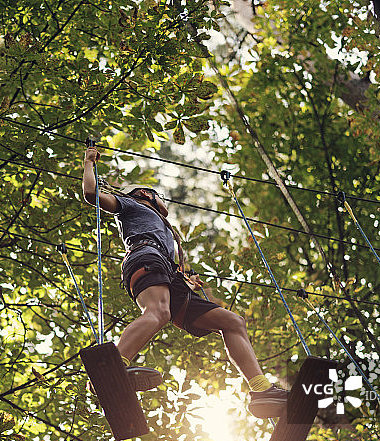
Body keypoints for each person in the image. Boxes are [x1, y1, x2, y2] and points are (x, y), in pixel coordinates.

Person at [81, 147, 288, 419]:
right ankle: (114, 367)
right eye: (159, 197)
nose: (164, 202)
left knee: (232, 322)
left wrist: (187, 282)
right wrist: (88, 163)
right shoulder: (134, 205)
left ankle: (261, 390)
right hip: (146, 256)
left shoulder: (163, 226)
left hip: (168, 273)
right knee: (158, 312)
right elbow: (92, 194)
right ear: (146, 195)